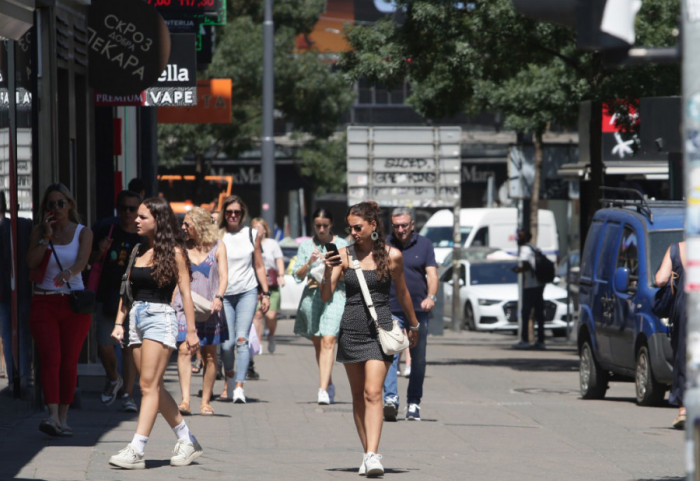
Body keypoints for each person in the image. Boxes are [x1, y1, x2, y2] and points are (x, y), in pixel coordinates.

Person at [321, 201, 419, 477]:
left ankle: (374, 455)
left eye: (358, 227)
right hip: (351, 328)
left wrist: (414, 324)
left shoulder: (392, 256)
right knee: (357, 397)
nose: (352, 232)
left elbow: (403, 293)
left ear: (373, 226)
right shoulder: (343, 255)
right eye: (350, 228)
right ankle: (367, 452)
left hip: (380, 327)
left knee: (373, 392)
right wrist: (329, 270)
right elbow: (326, 296)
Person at [108, 197, 203, 469]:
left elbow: (185, 292)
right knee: (153, 386)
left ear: (158, 221)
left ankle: (137, 448)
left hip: (160, 318)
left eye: (142, 217)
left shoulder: (174, 252)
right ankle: (187, 439)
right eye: (136, 216)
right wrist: (118, 323)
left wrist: (192, 331)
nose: (135, 220)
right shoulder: (138, 249)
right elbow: (126, 291)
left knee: (147, 386)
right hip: (136, 317)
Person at [26, 183, 93, 436]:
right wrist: (46, 236)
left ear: (70, 205)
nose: (56, 208)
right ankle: (52, 415)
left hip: (72, 303)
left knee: (68, 362)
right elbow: (31, 262)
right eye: (50, 205)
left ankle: (63, 417)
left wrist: (69, 272)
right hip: (44, 301)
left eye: (60, 203)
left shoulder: (82, 232)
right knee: (50, 358)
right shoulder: (40, 232)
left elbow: (82, 261)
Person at [382, 207, 438, 422]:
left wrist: (431, 297)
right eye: (396, 226)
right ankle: (391, 400)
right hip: (391, 308)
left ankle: (414, 402)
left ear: (412, 225)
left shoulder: (425, 245)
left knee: (419, 358)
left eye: (404, 225)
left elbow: (432, 274)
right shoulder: (385, 244)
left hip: (418, 310)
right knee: (391, 353)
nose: (401, 229)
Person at [90, 190, 142, 412]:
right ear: (118, 209)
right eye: (124, 208)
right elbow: (89, 261)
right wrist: (100, 251)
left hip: (134, 299)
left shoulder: (144, 237)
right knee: (104, 345)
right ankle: (114, 378)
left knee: (130, 348)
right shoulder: (107, 229)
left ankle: (128, 395)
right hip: (107, 295)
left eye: (133, 209)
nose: (128, 213)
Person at [174, 207, 228, 416]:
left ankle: (205, 401)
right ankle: (185, 400)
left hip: (210, 306)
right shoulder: (181, 248)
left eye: (188, 224)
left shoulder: (218, 247)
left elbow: (223, 276)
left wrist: (219, 296)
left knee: (210, 355)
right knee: (184, 349)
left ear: (200, 226)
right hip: (184, 306)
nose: (183, 227)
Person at [217, 195, 270, 403]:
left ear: (243, 214)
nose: (232, 216)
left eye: (237, 212)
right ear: (224, 213)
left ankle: (239, 386)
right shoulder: (218, 235)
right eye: (229, 212)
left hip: (247, 292)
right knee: (227, 345)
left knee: (242, 339)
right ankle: (229, 375)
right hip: (225, 294)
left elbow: (258, 265)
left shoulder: (251, 234)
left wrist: (265, 293)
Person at [293, 208, 348, 404]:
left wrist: (330, 271)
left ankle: (322, 389)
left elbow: (350, 273)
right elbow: (297, 276)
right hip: (312, 295)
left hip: (336, 295)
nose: (322, 229)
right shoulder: (307, 246)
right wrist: (309, 264)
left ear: (331, 224)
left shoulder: (342, 245)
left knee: (329, 339)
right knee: (318, 342)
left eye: (325, 225)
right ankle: (328, 382)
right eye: (318, 226)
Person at [0, 190, 33, 392]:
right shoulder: (21, 226)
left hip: (14, 290)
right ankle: (20, 377)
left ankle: (18, 379)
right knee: (16, 334)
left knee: (13, 334)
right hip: (15, 289)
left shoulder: (19, 227)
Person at [655, 240, 687, 429]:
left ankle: (684, 409)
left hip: (687, 310)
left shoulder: (677, 249)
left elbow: (660, 279)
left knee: (684, 358)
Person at [251, 217, 285, 354]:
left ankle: (271, 336)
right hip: (256, 283)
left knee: (271, 315)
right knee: (258, 315)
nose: (257, 230)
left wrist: (281, 275)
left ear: (265, 230)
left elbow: (279, 260)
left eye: (260, 227)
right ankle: (258, 343)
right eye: (254, 227)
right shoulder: (249, 242)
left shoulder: (272, 244)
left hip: (271, 283)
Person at [512, 229, 546, 350]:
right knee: (539, 313)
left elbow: (526, 264)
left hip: (531, 285)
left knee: (525, 312)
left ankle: (525, 340)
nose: (517, 238)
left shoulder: (525, 248)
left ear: (526, 237)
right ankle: (541, 341)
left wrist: (518, 270)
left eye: (520, 236)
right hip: (540, 284)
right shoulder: (533, 248)